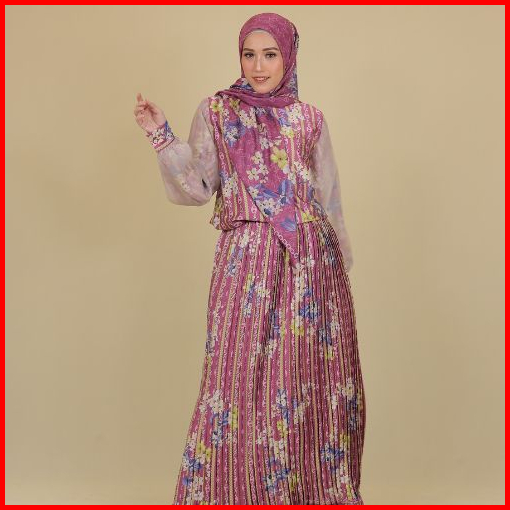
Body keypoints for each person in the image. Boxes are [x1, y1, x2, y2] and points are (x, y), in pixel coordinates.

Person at [134, 12, 366, 505]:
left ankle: (307, 492)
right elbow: (198, 187)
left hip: (309, 266)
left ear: (289, 57)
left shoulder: (309, 119)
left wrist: (337, 270)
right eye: (249, 54)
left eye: (270, 55)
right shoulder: (219, 112)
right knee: (236, 379)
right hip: (246, 261)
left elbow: (328, 197)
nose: (258, 67)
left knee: (304, 384)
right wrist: (161, 136)